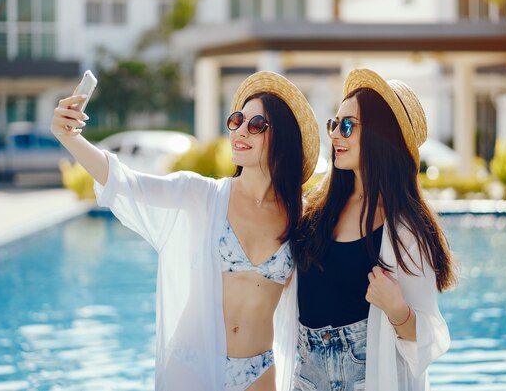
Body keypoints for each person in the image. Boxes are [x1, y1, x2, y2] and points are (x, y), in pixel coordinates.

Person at [51, 71, 320, 391]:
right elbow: (124, 182)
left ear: (283, 138)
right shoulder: (202, 195)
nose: (240, 131)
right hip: (194, 361)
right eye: (236, 120)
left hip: (258, 370)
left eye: (256, 124)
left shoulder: (302, 217)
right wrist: (70, 137)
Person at [291, 68, 458, 391]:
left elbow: (428, 340)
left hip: (367, 379)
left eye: (348, 125)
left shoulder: (405, 230)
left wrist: (396, 309)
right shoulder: (316, 212)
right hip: (307, 378)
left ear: (381, 135)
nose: (336, 134)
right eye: (334, 124)